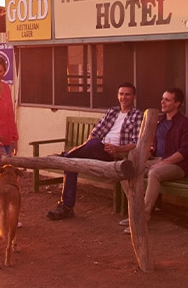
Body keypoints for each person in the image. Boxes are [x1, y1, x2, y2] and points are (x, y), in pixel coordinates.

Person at [45, 83, 141, 221]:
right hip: (98, 150)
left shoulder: (137, 115)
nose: (123, 97)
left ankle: (64, 156)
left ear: (134, 97)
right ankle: (67, 207)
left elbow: (135, 143)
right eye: (121, 94)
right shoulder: (112, 112)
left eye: (127, 94)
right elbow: (95, 133)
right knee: (72, 163)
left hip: (116, 157)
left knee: (73, 157)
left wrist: (117, 149)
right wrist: (91, 145)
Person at [122, 87, 188, 231]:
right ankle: (135, 212)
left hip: (176, 165)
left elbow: (183, 153)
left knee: (154, 173)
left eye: (167, 100)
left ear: (177, 104)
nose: (163, 102)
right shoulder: (158, 121)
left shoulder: (186, 124)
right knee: (125, 170)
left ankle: (142, 218)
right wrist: (149, 151)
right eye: (162, 98)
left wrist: (163, 162)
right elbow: (153, 144)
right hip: (156, 160)